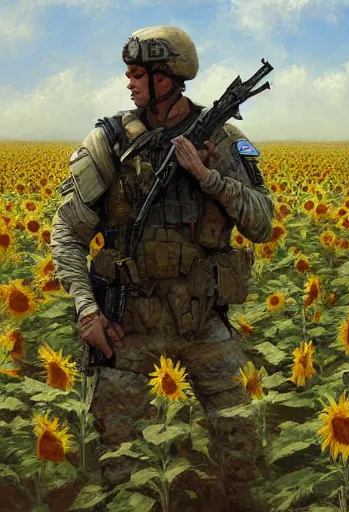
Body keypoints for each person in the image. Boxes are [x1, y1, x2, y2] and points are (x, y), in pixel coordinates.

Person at [49, 25, 273, 511]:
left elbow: (261, 222)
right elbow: (67, 232)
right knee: (120, 454)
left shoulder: (226, 139)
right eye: (128, 74)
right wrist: (89, 312)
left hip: (201, 318)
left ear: (166, 79)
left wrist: (207, 177)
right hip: (130, 324)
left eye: (137, 74)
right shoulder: (109, 142)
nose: (128, 83)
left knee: (241, 440)